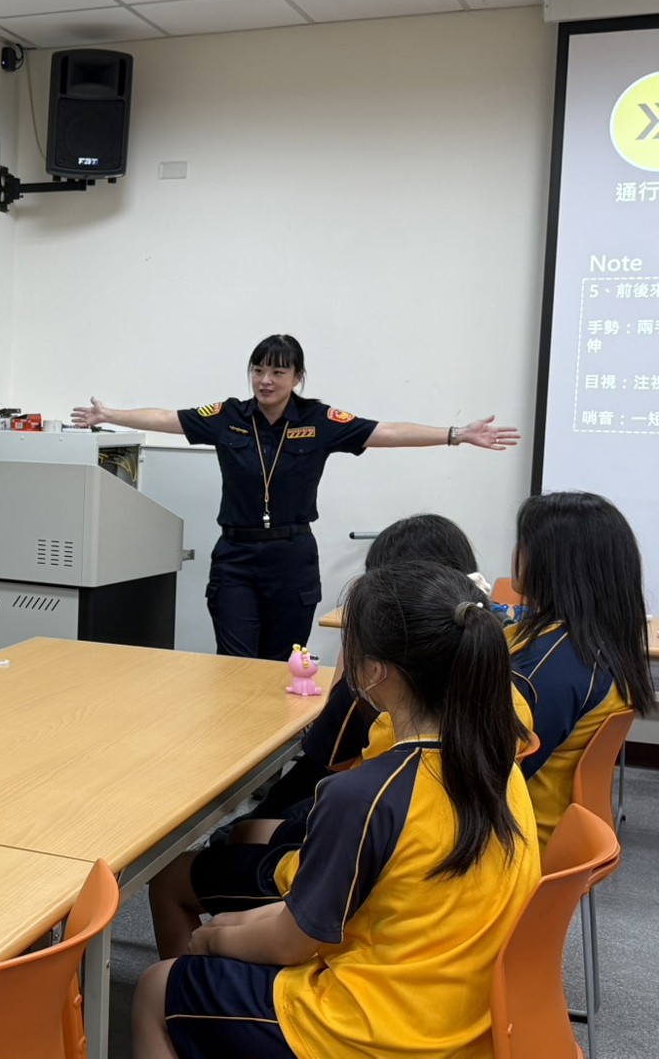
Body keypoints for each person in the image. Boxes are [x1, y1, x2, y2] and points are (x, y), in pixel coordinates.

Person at [132, 561, 538, 1059]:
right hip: (465, 1020)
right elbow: (346, 911)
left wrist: (212, 944)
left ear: (373, 671)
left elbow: (296, 941)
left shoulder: (366, 794)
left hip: (372, 1034)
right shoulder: (499, 765)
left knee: (155, 987)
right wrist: (231, 930)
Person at [147, 513, 512, 959]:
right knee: (244, 833)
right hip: (427, 936)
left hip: (348, 942)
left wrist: (219, 936)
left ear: (377, 667)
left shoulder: (365, 790)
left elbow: (325, 750)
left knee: (189, 882)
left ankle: (189, 982)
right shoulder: (492, 740)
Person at [72, 334, 520, 659]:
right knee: (235, 662)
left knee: (281, 663)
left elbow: (384, 431)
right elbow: (168, 418)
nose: (265, 380)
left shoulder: (320, 420)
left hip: (292, 557)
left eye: (278, 372)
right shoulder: (228, 416)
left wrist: (457, 434)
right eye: (258, 370)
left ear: (297, 377)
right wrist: (109, 414)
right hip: (236, 558)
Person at [508, 491, 654, 848]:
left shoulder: (547, 667)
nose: (514, 554)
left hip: (516, 843)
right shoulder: (598, 643)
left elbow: (484, 770)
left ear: (553, 563)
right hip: (556, 830)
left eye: (522, 545)